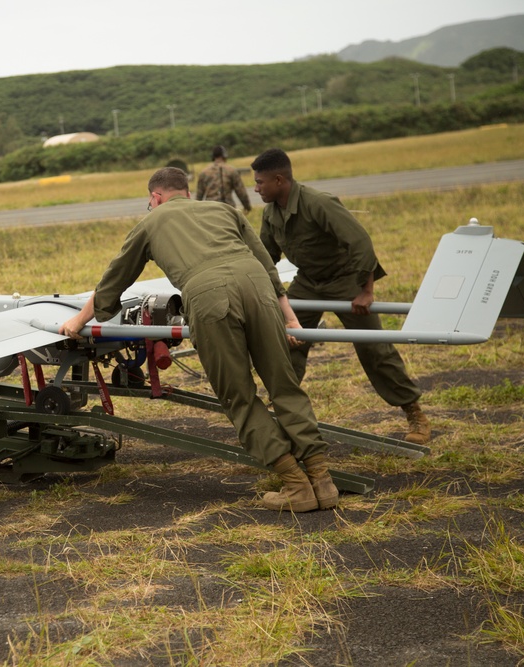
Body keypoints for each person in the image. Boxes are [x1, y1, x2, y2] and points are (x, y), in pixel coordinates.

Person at [59, 167, 338, 512]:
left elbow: (114, 280)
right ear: (188, 193)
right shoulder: (223, 210)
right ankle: (323, 482)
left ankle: (296, 486)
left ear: (155, 198)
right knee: (284, 385)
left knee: (239, 395)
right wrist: (290, 317)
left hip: (208, 296)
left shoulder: (150, 223)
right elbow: (265, 264)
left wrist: (79, 320)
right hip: (259, 289)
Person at [250, 148, 431, 445]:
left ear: (279, 180)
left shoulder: (318, 203)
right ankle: (282, 412)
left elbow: (359, 242)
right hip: (308, 282)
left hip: (345, 279)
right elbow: (267, 257)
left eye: (260, 182)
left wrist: (366, 291)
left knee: (374, 348)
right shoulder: (271, 213)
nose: (256, 189)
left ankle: (413, 411)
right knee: (287, 341)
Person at [195, 145, 252, 213]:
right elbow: (241, 192)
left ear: (213, 156)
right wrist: (247, 206)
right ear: (224, 155)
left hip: (210, 210)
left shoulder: (204, 173)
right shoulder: (232, 170)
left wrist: (197, 211)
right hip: (228, 209)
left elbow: (199, 196)